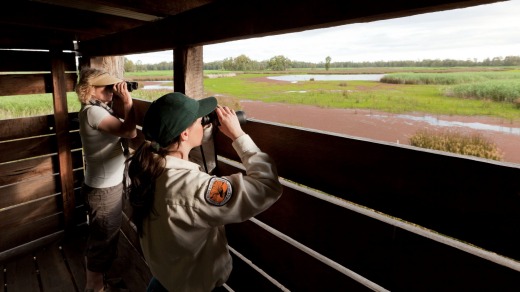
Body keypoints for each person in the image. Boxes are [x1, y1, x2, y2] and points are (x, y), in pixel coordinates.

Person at [126, 92, 283, 291]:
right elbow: (267, 186)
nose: (204, 124)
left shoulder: (147, 167)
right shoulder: (195, 188)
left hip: (162, 281)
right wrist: (238, 135)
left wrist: (200, 131)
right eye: (200, 121)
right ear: (184, 134)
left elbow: (185, 155)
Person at [75, 67, 137, 292]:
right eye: (107, 86)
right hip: (104, 189)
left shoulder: (95, 108)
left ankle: (98, 282)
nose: (112, 90)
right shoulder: (94, 113)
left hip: (101, 185)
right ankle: (94, 287)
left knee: (102, 236)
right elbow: (130, 132)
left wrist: (118, 98)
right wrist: (128, 103)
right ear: (90, 90)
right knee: (104, 240)